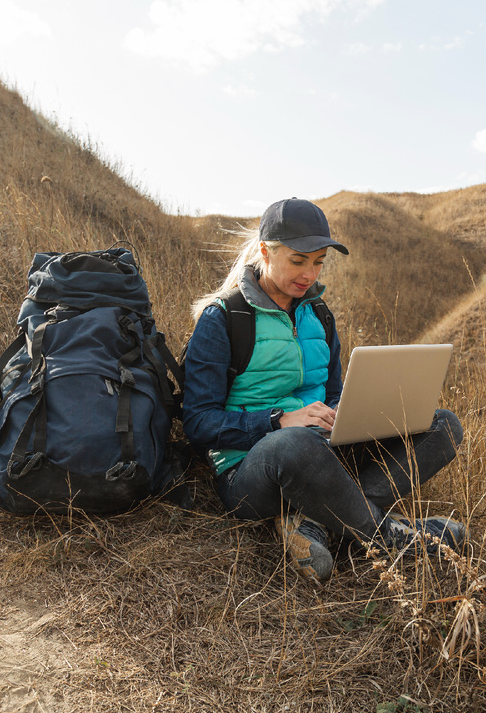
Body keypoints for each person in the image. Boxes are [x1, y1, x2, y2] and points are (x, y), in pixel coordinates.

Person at [182, 197, 465, 581]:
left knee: (443, 426)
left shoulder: (318, 314)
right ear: (265, 252)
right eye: (298, 261)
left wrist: (351, 415)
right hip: (252, 469)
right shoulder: (223, 318)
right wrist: (279, 421)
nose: (309, 274)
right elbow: (198, 422)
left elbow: (333, 392)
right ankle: (387, 536)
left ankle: (312, 521)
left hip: (326, 453)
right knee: (295, 443)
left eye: (318, 262)